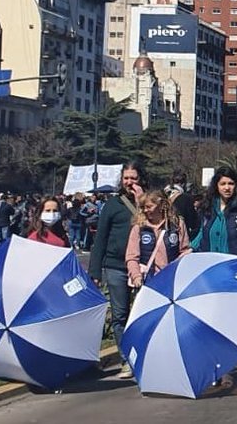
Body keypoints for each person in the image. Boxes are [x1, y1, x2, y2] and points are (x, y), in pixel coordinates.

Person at [88, 162, 145, 380]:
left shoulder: (149, 202)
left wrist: (141, 201)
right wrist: (95, 271)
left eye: (134, 178)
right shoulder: (112, 205)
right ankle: (127, 358)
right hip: (115, 266)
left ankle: (142, 354)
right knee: (120, 315)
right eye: (126, 178)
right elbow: (100, 238)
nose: (130, 182)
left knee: (139, 313)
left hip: (141, 267)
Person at [192, 167, 237, 269]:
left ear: (236, 185)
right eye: (223, 184)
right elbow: (202, 231)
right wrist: (192, 247)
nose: (227, 188)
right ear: (216, 186)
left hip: (236, 267)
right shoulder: (208, 206)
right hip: (210, 266)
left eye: (230, 183)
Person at [167, 171, 200, 241]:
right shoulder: (186, 198)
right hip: (180, 235)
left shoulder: (162, 195)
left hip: (164, 234)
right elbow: (193, 222)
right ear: (183, 183)